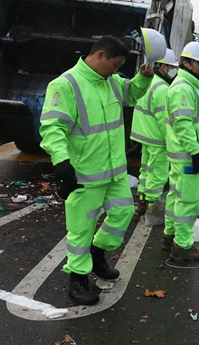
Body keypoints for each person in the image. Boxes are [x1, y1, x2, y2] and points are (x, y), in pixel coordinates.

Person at [39, 35, 160, 306]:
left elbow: (132, 93)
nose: (117, 70)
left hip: (114, 172)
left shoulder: (112, 82)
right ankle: (78, 277)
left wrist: (143, 77)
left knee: (123, 214)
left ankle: (97, 252)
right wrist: (61, 162)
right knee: (81, 229)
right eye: (115, 64)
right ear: (101, 55)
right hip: (85, 174)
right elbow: (52, 127)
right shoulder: (66, 85)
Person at [165, 41, 199, 261]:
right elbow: (183, 124)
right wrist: (196, 152)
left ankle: (171, 236)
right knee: (189, 201)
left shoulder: (186, 85)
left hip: (180, 155)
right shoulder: (184, 88)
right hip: (187, 156)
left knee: (176, 196)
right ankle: (182, 246)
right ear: (186, 62)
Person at [130, 48, 178, 227]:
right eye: (173, 67)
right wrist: (172, 142)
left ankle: (142, 201)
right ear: (163, 66)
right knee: (157, 174)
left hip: (144, 135)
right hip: (157, 138)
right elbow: (164, 119)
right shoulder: (163, 89)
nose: (175, 71)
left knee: (145, 171)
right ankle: (152, 207)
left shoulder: (150, 82)